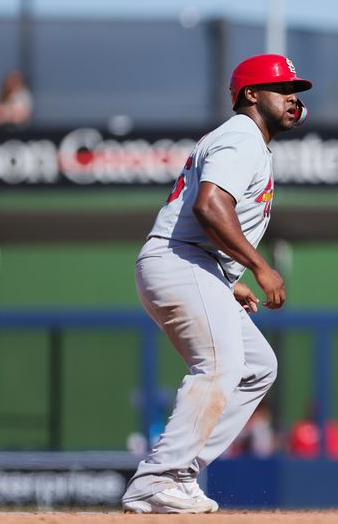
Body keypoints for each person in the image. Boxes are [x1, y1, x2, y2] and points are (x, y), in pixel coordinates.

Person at [121, 54, 312, 514]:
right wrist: (258, 267)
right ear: (250, 94)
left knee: (256, 366)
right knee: (220, 363)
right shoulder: (241, 137)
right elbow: (209, 207)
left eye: (296, 91)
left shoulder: (247, 142)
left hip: (194, 264)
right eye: (282, 88)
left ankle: (179, 476)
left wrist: (228, 281)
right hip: (179, 259)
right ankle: (157, 479)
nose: (293, 98)